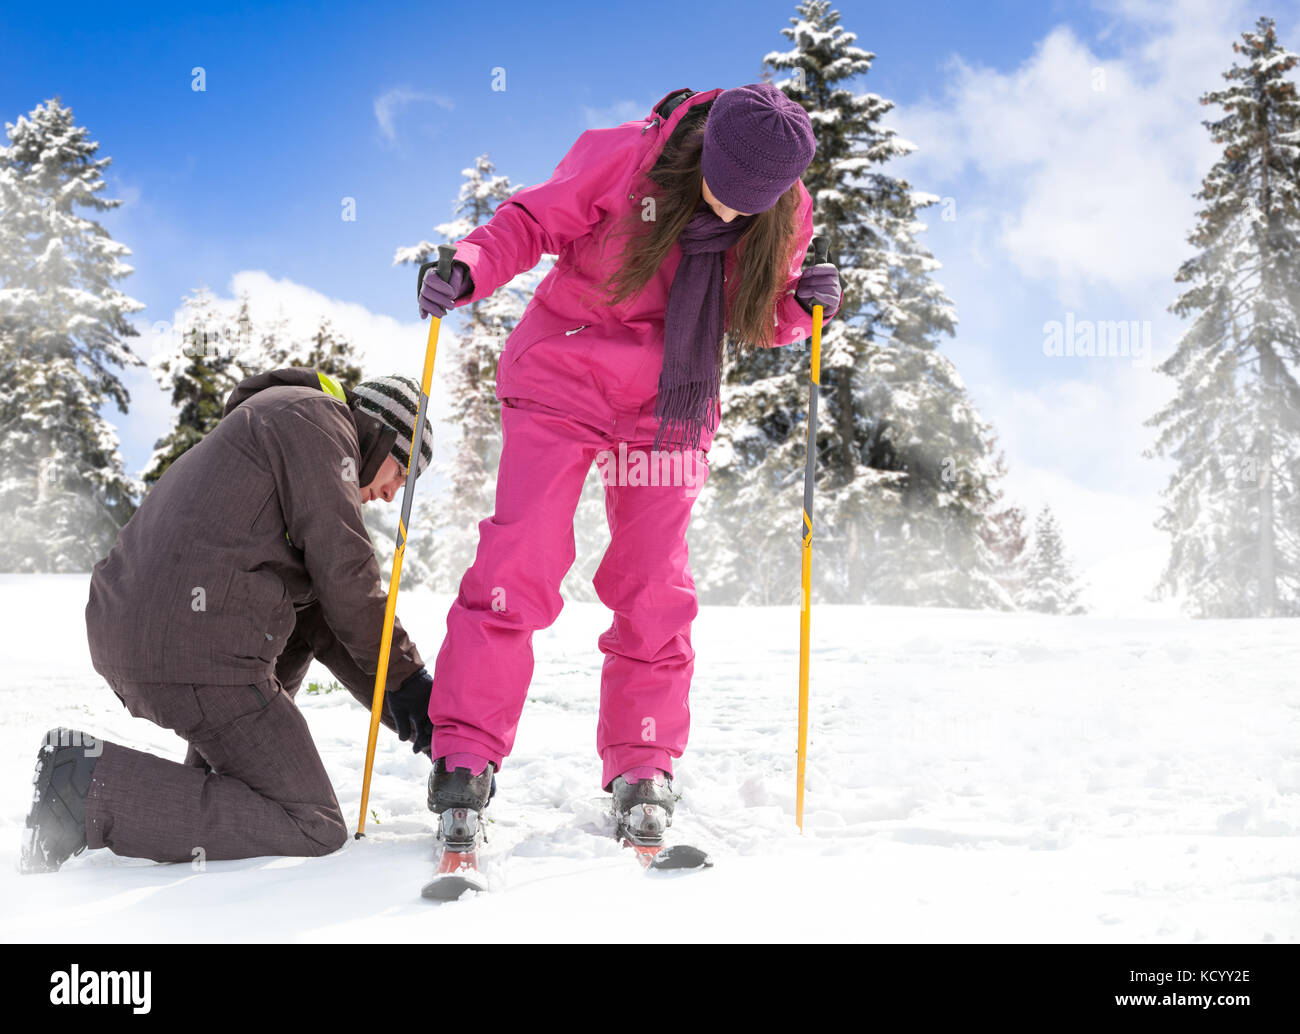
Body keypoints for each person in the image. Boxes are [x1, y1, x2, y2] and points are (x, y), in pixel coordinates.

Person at [416, 84, 843, 840]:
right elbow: (529, 221)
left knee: (654, 583)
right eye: (724, 191)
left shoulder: (781, 209)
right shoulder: (621, 158)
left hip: (667, 405)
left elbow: (762, 307)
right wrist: (470, 266)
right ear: (705, 150)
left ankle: (643, 762)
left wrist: (801, 305)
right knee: (521, 562)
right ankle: (464, 755)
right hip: (561, 379)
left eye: (754, 204)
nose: (732, 214)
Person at [21, 367, 439, 872]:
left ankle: (159, 800)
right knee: (312, 822)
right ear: (384, 433)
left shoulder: (283, 423)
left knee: (297, 633)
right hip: (192, 643)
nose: (393, 495)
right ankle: (85, 788)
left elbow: (327, 621)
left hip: (150, 631)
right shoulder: (317, 422)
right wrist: (410, 678)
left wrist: (414, 712)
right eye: (401, 474)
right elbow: (347, 574)